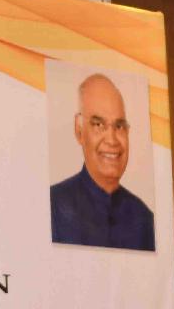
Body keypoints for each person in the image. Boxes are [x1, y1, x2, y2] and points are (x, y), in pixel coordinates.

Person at [50, 73, 155, 251]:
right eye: (98, 125)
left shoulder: (144, 220)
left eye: (119, 126)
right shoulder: (53, 208)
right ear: (79, 131)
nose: (112, 140)